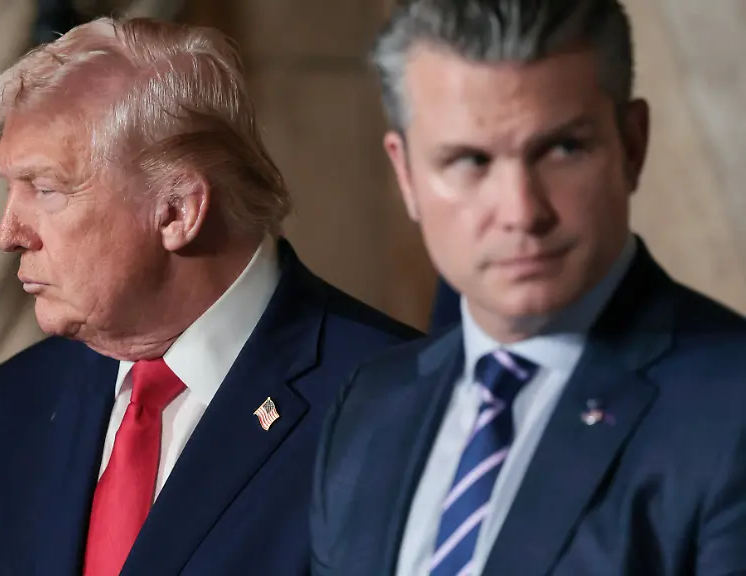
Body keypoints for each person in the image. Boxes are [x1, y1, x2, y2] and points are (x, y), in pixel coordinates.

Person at [0, 16, 422, 576]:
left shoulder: (397, 405)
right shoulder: (14, 404)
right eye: (11, 190)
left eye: (45, 189)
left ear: (178, 211)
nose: (8, 234)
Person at [311, 1, 746, 575]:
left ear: (633, 145)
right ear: (406, 175)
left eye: (562, 149)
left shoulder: (731, 410)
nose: (521, 212)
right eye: (470, 160)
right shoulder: (369, 404)